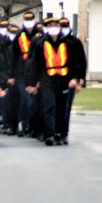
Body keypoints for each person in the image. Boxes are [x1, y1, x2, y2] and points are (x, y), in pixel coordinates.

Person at [28, 17, 73, 146]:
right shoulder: (40, 43)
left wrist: (74, 79)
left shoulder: (67, 43)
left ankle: (59, 133)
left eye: (56, 25)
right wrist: (33, 83)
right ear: (47, 28)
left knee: (61, 108)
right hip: (47, 79)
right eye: (51, 26)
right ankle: (50, 134)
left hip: (63, 79)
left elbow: (73, 62)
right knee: (49, 107)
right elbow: (35, 64)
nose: (54, 28)